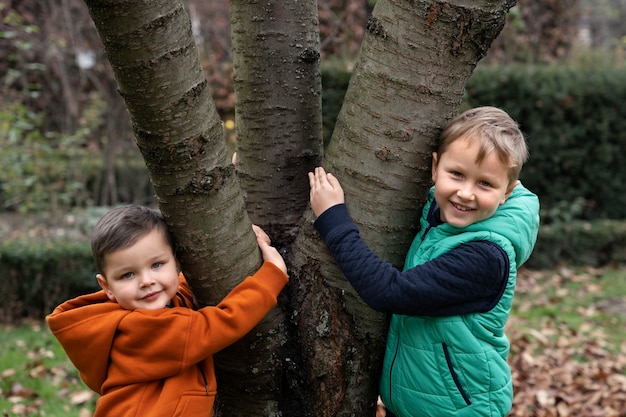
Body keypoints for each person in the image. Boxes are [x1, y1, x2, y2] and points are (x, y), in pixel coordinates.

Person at [308, 106, 540, 417]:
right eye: (456, 174)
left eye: (485, 183)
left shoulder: (484, 257)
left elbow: (389, 292)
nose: (465, 193)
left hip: (458, 410)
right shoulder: (442, 217)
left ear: (506, 193)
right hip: (418, 403)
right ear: (435, 168)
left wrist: (333, 221)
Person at [46, 205, 288, 416]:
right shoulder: (140, 330)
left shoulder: (160, 304)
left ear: (176, 262)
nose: (147, 281)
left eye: (157, 265)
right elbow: (221, 323)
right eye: (128, 274)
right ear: (107, 287)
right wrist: (271, 277)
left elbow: (181, 287)